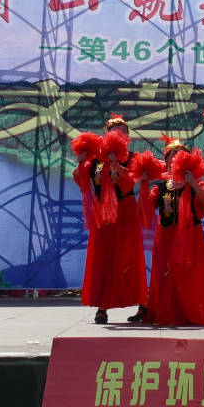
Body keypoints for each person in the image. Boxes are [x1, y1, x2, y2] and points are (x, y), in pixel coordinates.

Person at [78, 114, 149, 325]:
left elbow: (131, 180)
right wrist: (81, 163)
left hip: (125, 211)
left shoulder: (132, 157)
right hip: (102, 214)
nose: (118, 134)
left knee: (128, 256)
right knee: (104, 258)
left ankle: (143, 302)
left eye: (123, 131)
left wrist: (116, 164)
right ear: (106, 135)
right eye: (114, 131)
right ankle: (102, 306)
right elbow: (83, 183)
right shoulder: (96, 160)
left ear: (127, 137)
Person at [145, 140, 204, 326]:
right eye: (171, 155)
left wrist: (191, 182)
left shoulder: (197, 182)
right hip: (166, 237)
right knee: (165, 273)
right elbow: (146, 210)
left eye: (179, 155)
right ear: (166, 161)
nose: (175, 158)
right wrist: (144, 182)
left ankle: (188, 313)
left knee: (189, 274)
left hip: (190, 236)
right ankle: (166, 312)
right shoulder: (161, 186)